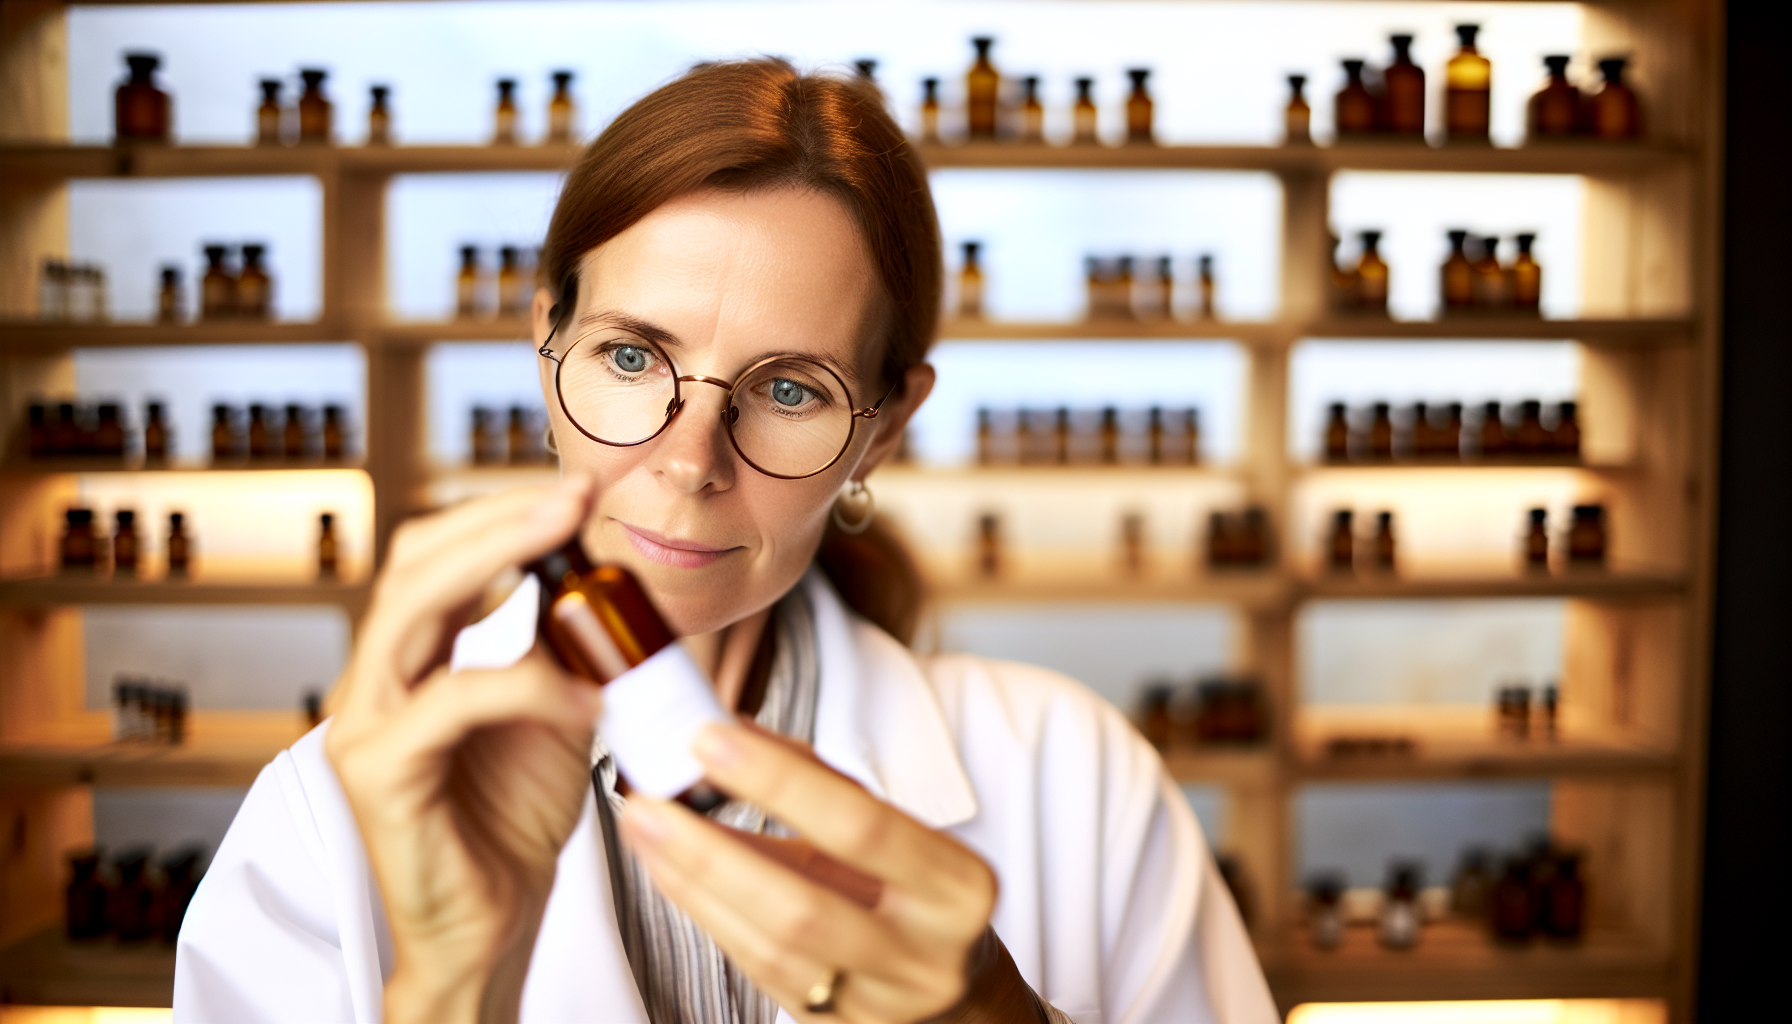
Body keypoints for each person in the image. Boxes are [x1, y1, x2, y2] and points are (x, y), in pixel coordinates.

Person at [173, 59, 1275, 1024]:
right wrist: (451, 991)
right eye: (629, 358)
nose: (689, 459)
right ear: (543, 349)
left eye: (789, 387)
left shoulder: (1073, 776)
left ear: (880, 430)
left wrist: (988, 1017)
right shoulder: (322, 816)